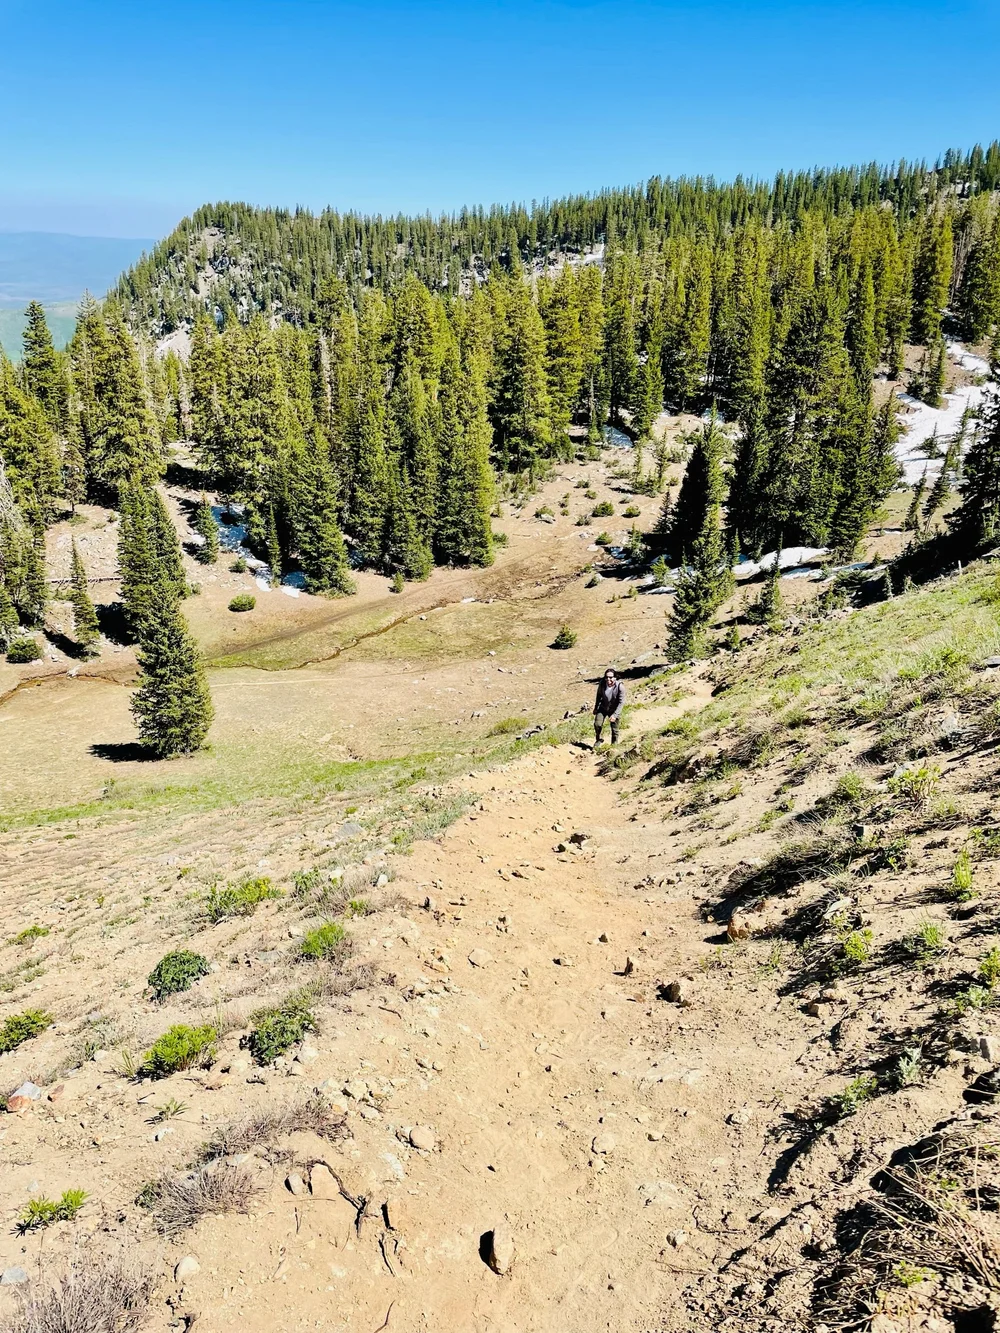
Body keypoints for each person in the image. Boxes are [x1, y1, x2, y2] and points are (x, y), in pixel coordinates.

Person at [593, 668, 625, 745]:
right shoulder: (602, 684)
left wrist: (615, 715)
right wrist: (596, 707)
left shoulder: (620, 687)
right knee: (597, 724)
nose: (608, 679)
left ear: (615, 677)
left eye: (610, 677)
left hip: (614, 709)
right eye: (606, 677)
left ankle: (614, 745)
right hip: (603, 707)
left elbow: (621, 702)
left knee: (614, 729)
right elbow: (599, 696)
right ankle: (598, 739)